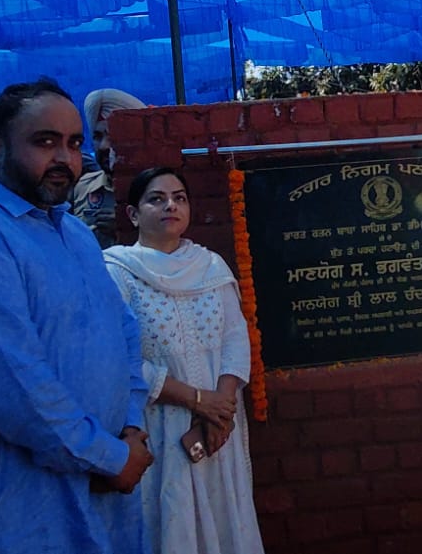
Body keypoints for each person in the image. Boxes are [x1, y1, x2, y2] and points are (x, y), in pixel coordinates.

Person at [0, 78, 153, 554]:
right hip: (35, 498)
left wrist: (130, 427)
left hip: (112, 483)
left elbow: (125, 334)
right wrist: (107, 456)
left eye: (74, 144)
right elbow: (10, 382)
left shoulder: (74, 232)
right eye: (45, 142)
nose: (65, 158)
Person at [104, 167, 266, 554]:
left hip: (216, 429)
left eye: (179, 198)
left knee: (224, 516)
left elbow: (234, 338)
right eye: (156, 199)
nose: (170, 206)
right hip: (159, 423)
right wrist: (195, 400)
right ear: (133, 214)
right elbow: (115, 357)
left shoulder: (210, 267)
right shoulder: (116, 272)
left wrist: (220, 407)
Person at [75, 88, 146, 248]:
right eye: (97, 137)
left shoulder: (158, 191)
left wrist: (127, 230)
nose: (103, 146)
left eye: (112, 136)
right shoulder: (83, 187)